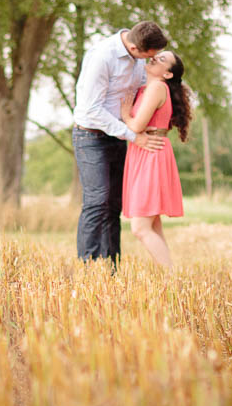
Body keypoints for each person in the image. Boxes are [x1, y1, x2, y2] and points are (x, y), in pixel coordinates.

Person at [72, 21, 169, 264]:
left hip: (118, 135)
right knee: (97, 201)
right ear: (135, 48)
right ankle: (89, 266)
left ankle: (111, 268)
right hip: (90, 135)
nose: (152, 60)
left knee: (115, 204)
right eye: (150, 56)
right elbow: (91, 109)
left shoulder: (138, 59)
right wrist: (134, 135)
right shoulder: (102, 57)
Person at [121, 50, 192, 268]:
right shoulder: (146, 89)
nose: (154, 58)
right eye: (156, 55)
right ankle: (170, 281)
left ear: (168, 74)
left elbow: (137, 126)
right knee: (153, 225)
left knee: (140, 227)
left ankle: (173, 278)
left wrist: (125, 114)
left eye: (162, 59)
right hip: (144, 151)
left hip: (152, 153)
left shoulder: (157, 88)